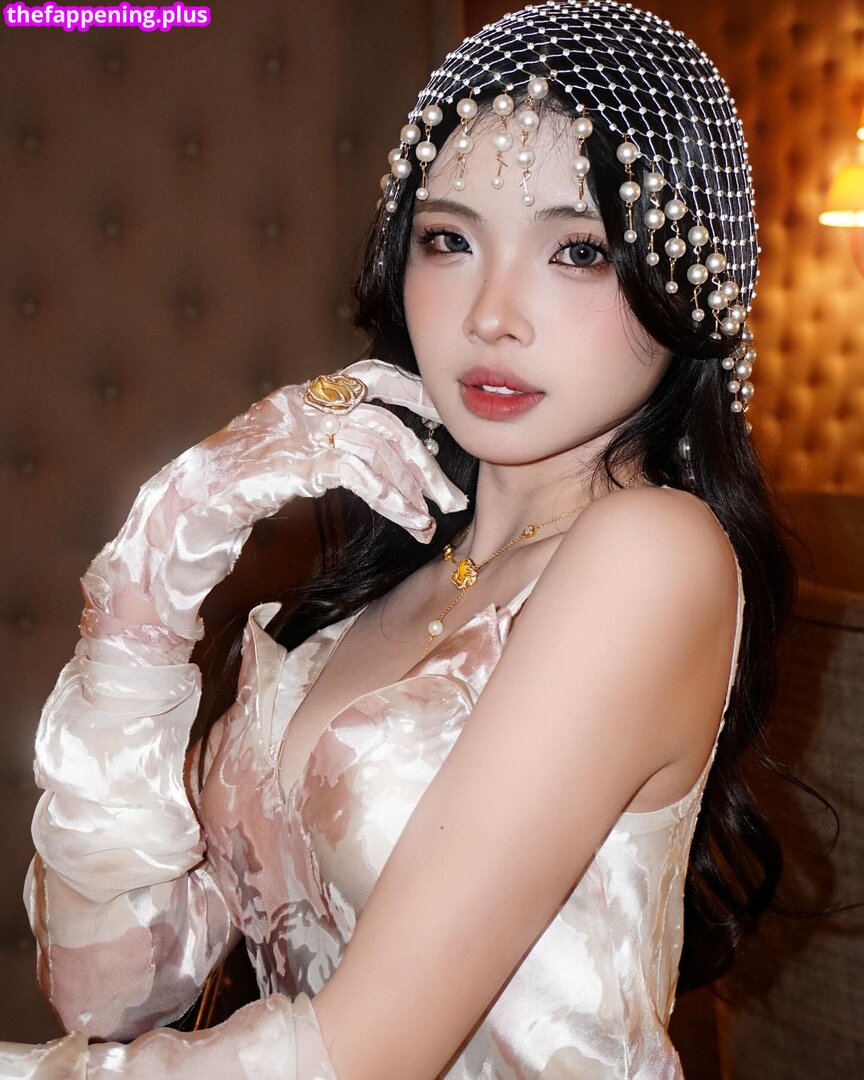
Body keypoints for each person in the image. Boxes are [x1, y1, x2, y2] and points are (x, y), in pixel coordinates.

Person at [1, 2, 796, 1077]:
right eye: (450, 240)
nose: (492, 314)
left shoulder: (650, 555)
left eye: (578, 251)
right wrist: (160, 551)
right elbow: (109, 990)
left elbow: (361, 1052)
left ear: (682, 279)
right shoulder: (379, 595)